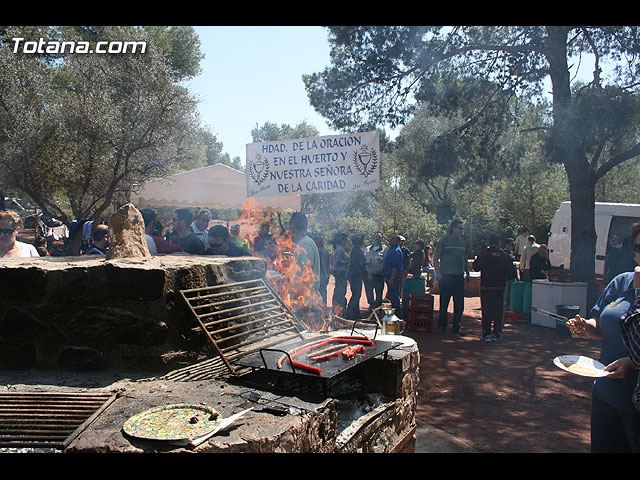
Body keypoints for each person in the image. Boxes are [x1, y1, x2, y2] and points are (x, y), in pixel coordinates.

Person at [566, 221, 640, 452]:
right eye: (639, 246)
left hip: (636, 404)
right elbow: (600, 324)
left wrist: (633, 362)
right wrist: (585, 326)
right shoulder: (622, 282)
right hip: (605, 394)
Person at [473, 234, 517, 341]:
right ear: (499, 243)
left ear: (488, 242)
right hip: (500, 287)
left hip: (486, 287)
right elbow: (512, 273)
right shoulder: (505, 255)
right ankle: (497, 333)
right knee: (498, 311)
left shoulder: (483, 254)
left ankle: (486, 333)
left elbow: (476, 267)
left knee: (486, 310)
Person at [434, 219, 470, 334]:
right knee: (444, 302)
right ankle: (442, 325)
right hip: (446, 276)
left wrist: (467, 272)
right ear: (453, 228)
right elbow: (435, 257)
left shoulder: (462, 242)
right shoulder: (444, 240)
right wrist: (438, 273)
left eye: (462, 229)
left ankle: (457, 326)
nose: (461, 231)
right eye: (460, 228)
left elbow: (465, 258)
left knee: (459, 303)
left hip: (459, 276)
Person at [288, 212, 321, 293]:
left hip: (305, 299)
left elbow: (306, 274)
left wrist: (298, 296)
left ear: (293, 227)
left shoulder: (305, 244)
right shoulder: (304, 242)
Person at [382, 233, 404, 316]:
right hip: (388, 276)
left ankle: (397, 315)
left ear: (397, 241)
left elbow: (396, 267)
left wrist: (392, 278)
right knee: (392, 295)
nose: (390, 240)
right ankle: (394, 313)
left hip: (394, 278)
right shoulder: (391, 249)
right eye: (390, 238)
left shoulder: (396, 251)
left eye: (393, 239)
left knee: (394, 296)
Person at [364, 232, 387, 309]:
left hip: (379, 274)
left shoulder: (385, 249)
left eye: (379, 237)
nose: (377, 238)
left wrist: (383, 260)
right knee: (369, 291)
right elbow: (364, 261)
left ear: (382, 239)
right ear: (374, 237)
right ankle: (371, 305)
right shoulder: (367, 249)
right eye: (376, 236)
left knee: (379, 291)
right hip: (369, 274)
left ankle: (377, 307)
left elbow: (388, 261)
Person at [346, 234, 366, 319]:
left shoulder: (355, 250)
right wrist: (365, 272)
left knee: (356, 293)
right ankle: (349, 312)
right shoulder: (357, 251)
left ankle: (356, 313)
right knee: (357, 294)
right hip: (355, 275)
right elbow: (360, 264)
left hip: (354, 274)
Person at [331, 233, 349, 314]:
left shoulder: (337, 249)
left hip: (338, 272)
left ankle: (336, 307)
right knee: (341, 290)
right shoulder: (340, 249)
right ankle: (339, 308)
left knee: (338, 289)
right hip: (341, 272)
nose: (346, 242)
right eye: (345, 240)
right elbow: (338, 261)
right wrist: (347, 262)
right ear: (342, 241)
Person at [313, 234, 331, 308]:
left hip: (321, 275)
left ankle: (322, 308)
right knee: (323, 292)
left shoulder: (320, 251)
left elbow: (322, 264)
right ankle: (323, 307)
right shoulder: (325, 251)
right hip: (324, 275)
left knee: (321, 292)